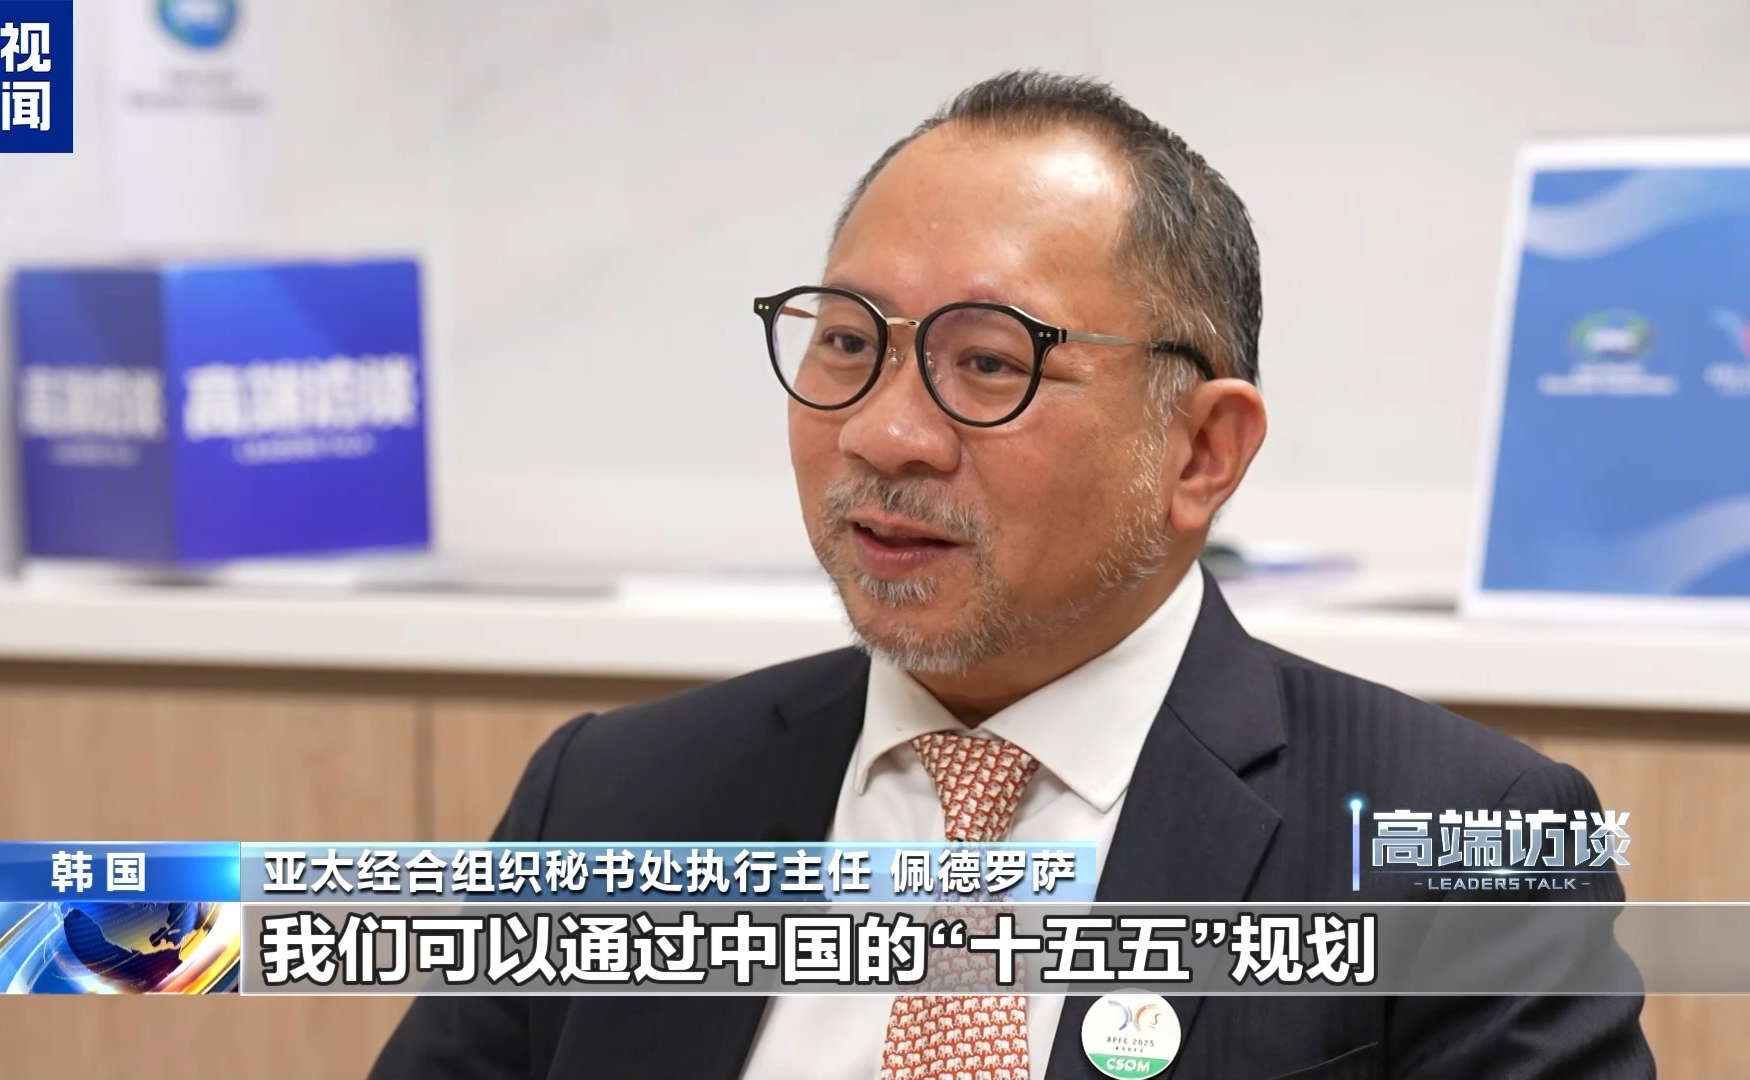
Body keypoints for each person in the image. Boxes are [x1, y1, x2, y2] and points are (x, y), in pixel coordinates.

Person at [372, 70, 1651, 1080]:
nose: (885, 434)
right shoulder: (611, 801)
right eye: (848, 344)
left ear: (1201, 452)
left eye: (989, 363)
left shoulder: (1460, 848)